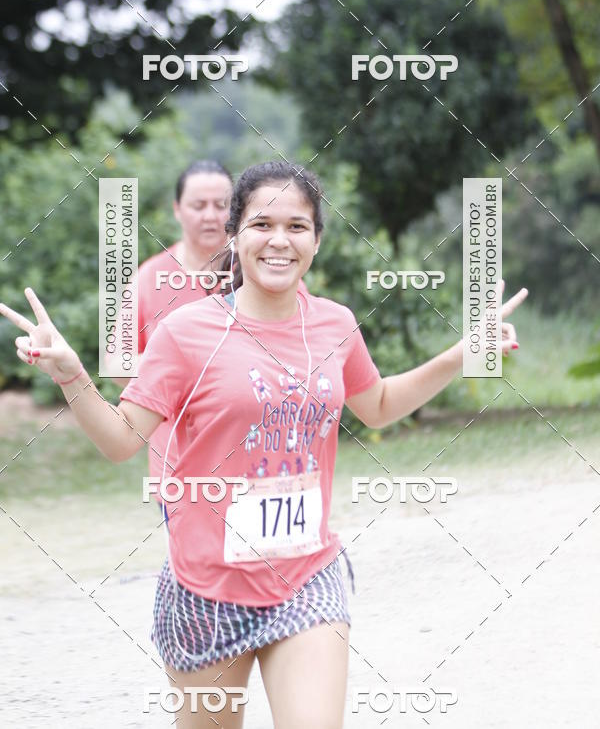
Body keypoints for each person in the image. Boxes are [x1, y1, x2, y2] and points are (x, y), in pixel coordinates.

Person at [0, 161, 528, 728]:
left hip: (307, 577)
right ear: (235, 237)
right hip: (207, 589)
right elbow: (121, 442)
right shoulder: (186, 333)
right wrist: (72, 375)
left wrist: (462, 352)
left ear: (317, 241)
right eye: (261, 224)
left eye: (298, 226)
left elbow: (376, 404)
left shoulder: (335, 324)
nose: (280, 240)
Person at [110, 159, 233, 514]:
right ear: (178, 210)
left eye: (221, 205)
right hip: (179, 470)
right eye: (198, 205)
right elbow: (118, 361)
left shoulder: (259, 271)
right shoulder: (150, 277)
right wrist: (179, 375)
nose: (210, 216)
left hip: (255, 459)